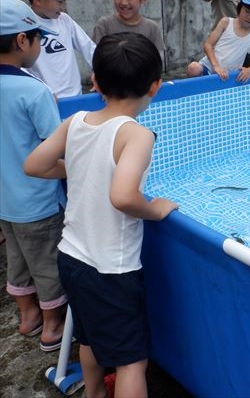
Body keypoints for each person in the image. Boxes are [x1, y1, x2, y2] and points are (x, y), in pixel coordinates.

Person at [24, 32, 179, 398]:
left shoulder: (76, 120)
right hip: (112, 269)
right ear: (155, 86)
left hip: (72, 256)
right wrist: (155, 209)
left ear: (94, 81)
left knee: (90, 337)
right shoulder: (136, 135)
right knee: (130, 361)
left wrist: (79, 167)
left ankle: (92, 394)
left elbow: (34, 165)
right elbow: (123, 196)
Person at [0, 0, 67, 352]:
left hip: (5, 201)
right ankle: (52, 327)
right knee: (47, 264)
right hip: (37, 201)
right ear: (22, 41)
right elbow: (54, 146)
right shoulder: (33, 91)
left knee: (18, 258)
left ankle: (27, 318)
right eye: (37, 37)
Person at [23, 0, 96, 98]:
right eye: (60, 2)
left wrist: (102, 73)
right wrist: (44, 91)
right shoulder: (24, 27)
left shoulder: (65, 21)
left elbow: (89, 48)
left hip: (76, 98)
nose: (63, 8)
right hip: (46, 101)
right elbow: (20, 69)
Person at [186, 0, 250, 80]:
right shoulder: (226, 22)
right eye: (247, 11)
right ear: (240, 7)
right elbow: (208, 45)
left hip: (228, 75)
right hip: (209, 67)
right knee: (193, 68)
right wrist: (216, 66)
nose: (249, 17)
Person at [93, 0, 165, 57]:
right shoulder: (104, 25)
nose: (123, 2)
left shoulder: (152, 28)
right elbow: (96, 57)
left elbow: (157, 61)